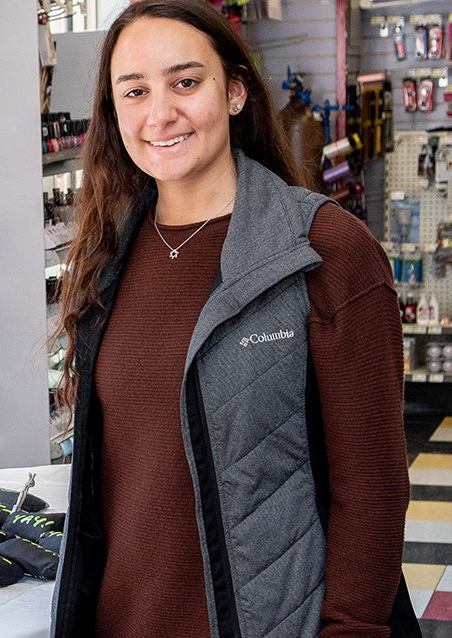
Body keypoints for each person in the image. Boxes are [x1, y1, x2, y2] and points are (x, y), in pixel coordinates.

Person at [51, 1, 419, 636]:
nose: (160, 113)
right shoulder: (106, 257)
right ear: (114, 114)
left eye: (186, 82)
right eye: (134, 91)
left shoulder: (325, 251)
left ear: (236, 92)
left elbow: (373, 489)